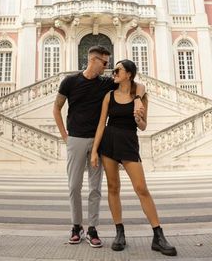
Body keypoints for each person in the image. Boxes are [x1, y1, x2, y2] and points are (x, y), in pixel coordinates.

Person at [53, 46, 145, 248]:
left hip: (98, 140)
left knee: (95, 188)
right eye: (104, 63)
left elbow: (137, 84)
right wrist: (64, 136)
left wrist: (138, 98)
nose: (107, 67)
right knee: (74, 186)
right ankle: (76, 226)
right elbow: (57, 108)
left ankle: (92, 228)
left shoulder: (106, 83)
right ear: (93, 60)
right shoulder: (70, 81)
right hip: (75, 139)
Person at [91, 59, 177, 256]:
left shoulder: (140, 96)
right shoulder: (109, 96)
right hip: (109, 143)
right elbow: (101, 124)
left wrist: (138, 118)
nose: (114, 73)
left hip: (129, 143)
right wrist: (95, 150)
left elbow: (144, 126)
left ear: (128, 74)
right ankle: (119, 232)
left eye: (118, 70)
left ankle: (158, 235)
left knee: (141, 189)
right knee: (113, 188)